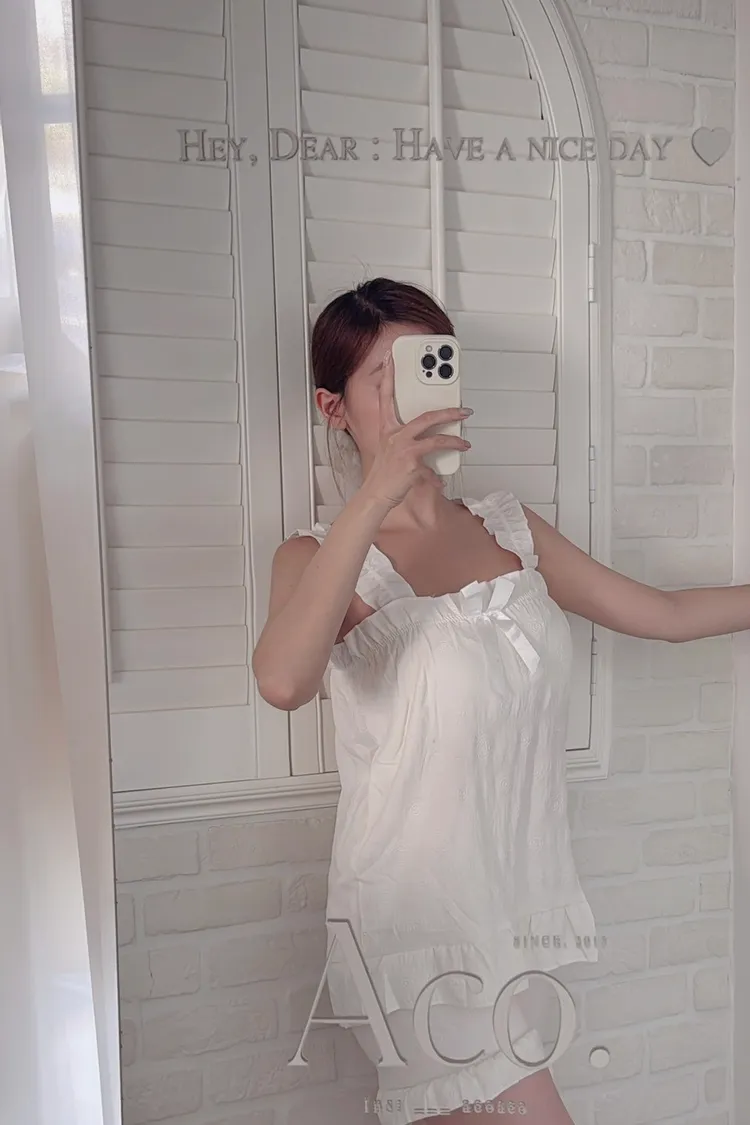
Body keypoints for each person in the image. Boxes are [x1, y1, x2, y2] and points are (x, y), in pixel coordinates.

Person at [252, 278, 743, 1124]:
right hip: (414, 931)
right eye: (384, 376)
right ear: (334, 408)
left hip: (507, 919)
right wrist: (373, 498)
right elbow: (283, 681)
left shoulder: (508, 528)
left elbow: (661, 614)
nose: (412, 393)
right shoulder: (318, 557)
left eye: (429, 364)